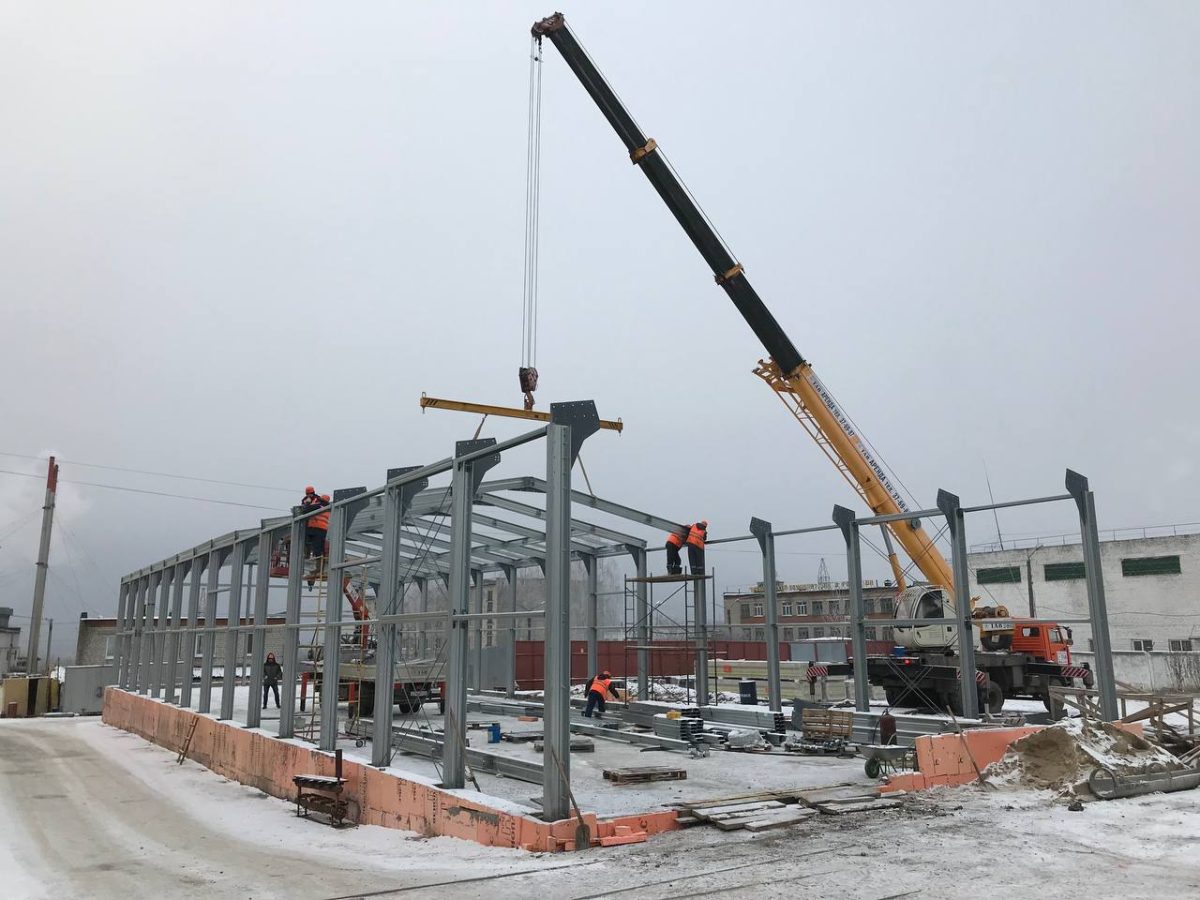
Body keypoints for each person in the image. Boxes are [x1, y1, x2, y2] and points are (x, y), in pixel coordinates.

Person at [304, 493, 331, 587]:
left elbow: (306, 510)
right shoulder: (328, 509)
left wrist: (307, 503)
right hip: (322, 530)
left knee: (315, 548)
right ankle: (319, 567)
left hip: (315, 528)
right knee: (320, 548)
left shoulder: (319, 506)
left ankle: (315, 564)